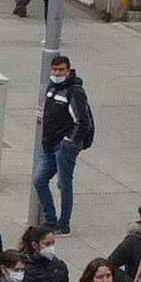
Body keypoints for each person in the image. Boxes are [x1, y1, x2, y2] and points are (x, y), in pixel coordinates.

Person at [35, 52, 93, 234]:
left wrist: (69, 141)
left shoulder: (74, 91)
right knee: (39, 180)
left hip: (64, 146)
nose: (57, 73)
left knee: (64, 184)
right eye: (55, 70)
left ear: (68, 70)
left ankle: (63, 224)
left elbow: (82, 121)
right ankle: (50, 219)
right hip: (49, 143)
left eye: (61, 70)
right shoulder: (52, 88)